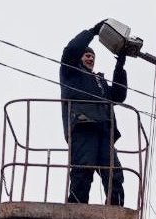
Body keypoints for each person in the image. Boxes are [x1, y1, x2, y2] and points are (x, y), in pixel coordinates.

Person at [60, 22, 128, 207]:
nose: (90, 59)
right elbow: (71, 50)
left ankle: (115, 210)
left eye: (92, 56)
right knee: (83, 170)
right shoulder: (71, 73)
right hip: (83, 127)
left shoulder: (99, 81)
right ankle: (76, 208)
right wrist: (92, 32)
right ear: (79, 57)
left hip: (104, 130)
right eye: (87, 55)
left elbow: (119, 95)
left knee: (115, 173)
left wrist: (120, 63)